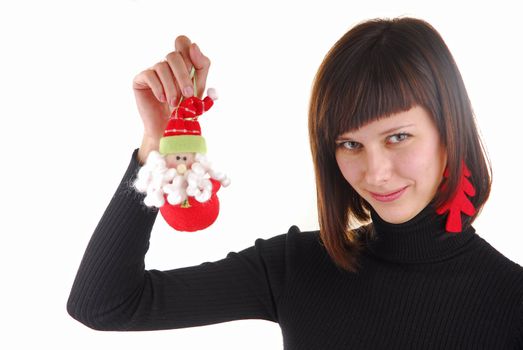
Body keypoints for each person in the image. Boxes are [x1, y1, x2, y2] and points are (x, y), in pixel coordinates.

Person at [67, 17, 523, 348]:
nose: (376, 171)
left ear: (450, 130)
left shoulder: (512, 303)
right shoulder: (296, 268)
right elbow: (104, 304)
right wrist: (158, 144)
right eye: (350, 144)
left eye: (398, 137)